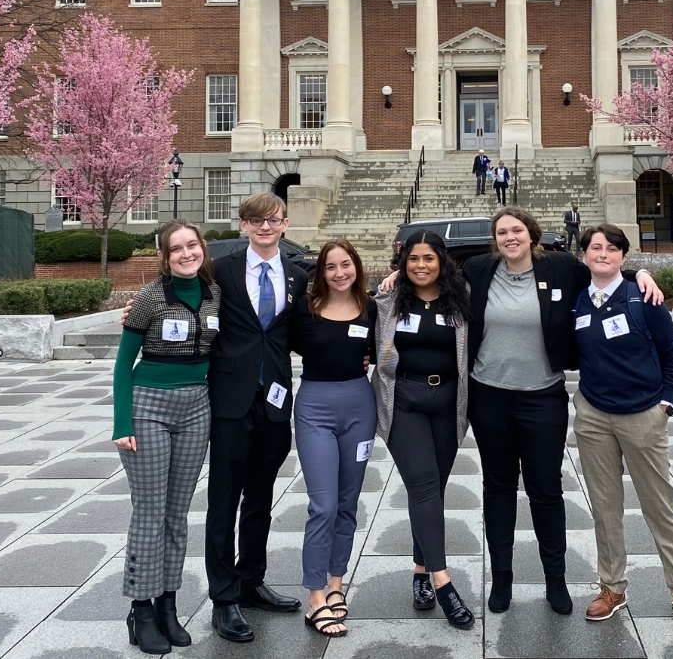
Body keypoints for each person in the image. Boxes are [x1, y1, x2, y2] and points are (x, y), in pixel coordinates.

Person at [462, 208, 661, 616]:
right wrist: (393, 280)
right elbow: (430, 280)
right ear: (494, 239)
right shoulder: (479, 269)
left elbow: (603, 266)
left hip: (542, 397)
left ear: (531, 234)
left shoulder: (559, 267)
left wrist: (640, 273)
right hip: (490, 397)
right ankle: (502, 580)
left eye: (516, 230)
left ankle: (556, 581)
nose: (509, 237)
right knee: (498, 489)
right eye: (502, 232)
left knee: (546, 491)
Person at [570, 223, 673, 627]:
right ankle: (612, 587)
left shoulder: (643, 297)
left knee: (658, 504)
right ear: (585, 256)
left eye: (612, 249)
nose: (603, 254)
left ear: (624, 257)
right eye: (595, 248)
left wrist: (665, 404)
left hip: (643, 413)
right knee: (605, 506)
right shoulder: (578, 301)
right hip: (593, 415)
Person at [203, 192, 306, 642]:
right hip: (230, 400)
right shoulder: (222, 271)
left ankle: (251, 580)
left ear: (285, 225)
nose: (266, 227)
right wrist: (138, 315)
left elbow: (315, 325)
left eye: (274, 220)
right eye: (256, 220)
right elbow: (184, 295)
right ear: (243, 225)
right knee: (224, 501)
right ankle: (224, 598)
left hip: (275, 403)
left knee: (261, 498)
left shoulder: (298, 275)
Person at [113, 220, 219, 655]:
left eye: (192, 245)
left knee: (177, 513)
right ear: (164, 255)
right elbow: (123, 364)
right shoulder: (150, 299)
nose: (186, 253)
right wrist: (123, 424)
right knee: (150, 510)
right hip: (149, 406)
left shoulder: (215, 293)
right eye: (176, 249)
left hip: (197, 407)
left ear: (202, 247)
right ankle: (141, 608)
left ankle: (168, 602)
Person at [371, 231, 477, 629]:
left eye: (428, 258)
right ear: (403, 262)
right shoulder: (389, 299)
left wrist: (637, 275)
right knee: (424, 485)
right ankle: (442, 581)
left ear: (442, 261)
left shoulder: (462, 295)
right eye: (412, 258)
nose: (420, 265)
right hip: (405, 401)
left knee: (433, 488)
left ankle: (419, 570)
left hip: (449, 403)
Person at [289, 238, 377, 638]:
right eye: (331, 267)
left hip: (360, 408)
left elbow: (387, 349)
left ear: (356, 267)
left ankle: (337, 583)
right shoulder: (303, 310)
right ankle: (315, 596)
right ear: (320, 272)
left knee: (347, 502)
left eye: (346, 265)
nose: (340, 273)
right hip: (315, 410)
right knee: (322, 505)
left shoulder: (372, 308)